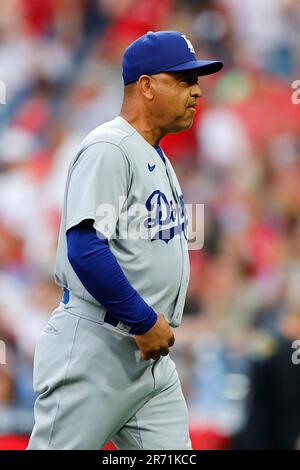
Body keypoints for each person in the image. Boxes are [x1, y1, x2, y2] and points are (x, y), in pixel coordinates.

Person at [28, 30, 223, 450]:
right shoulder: (109, 146)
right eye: (184, 80)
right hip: (96, 349)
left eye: (197, 82)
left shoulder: (155, 154)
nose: (197, 92)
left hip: (149, 358)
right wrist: (143, 319)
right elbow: (85, 247)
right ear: (147, 86)